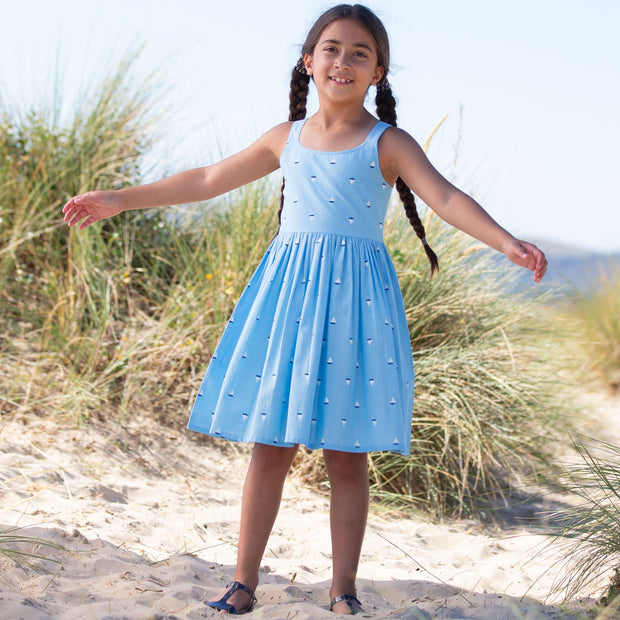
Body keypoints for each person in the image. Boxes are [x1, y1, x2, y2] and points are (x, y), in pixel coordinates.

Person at [63, 3, 547, 615]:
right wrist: (119, 199)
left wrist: (506, 242)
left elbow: (446, 196)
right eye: (332, 49)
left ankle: (343, 590)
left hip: (356, 307)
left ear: (378, 72)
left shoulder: (387, 142)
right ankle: (242, 582)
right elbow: (208, 177)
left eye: (359, 53)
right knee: (271, 444)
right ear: (309, 61)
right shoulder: (284, 138)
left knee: (348, 455)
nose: (343, 61)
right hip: (288, 302)